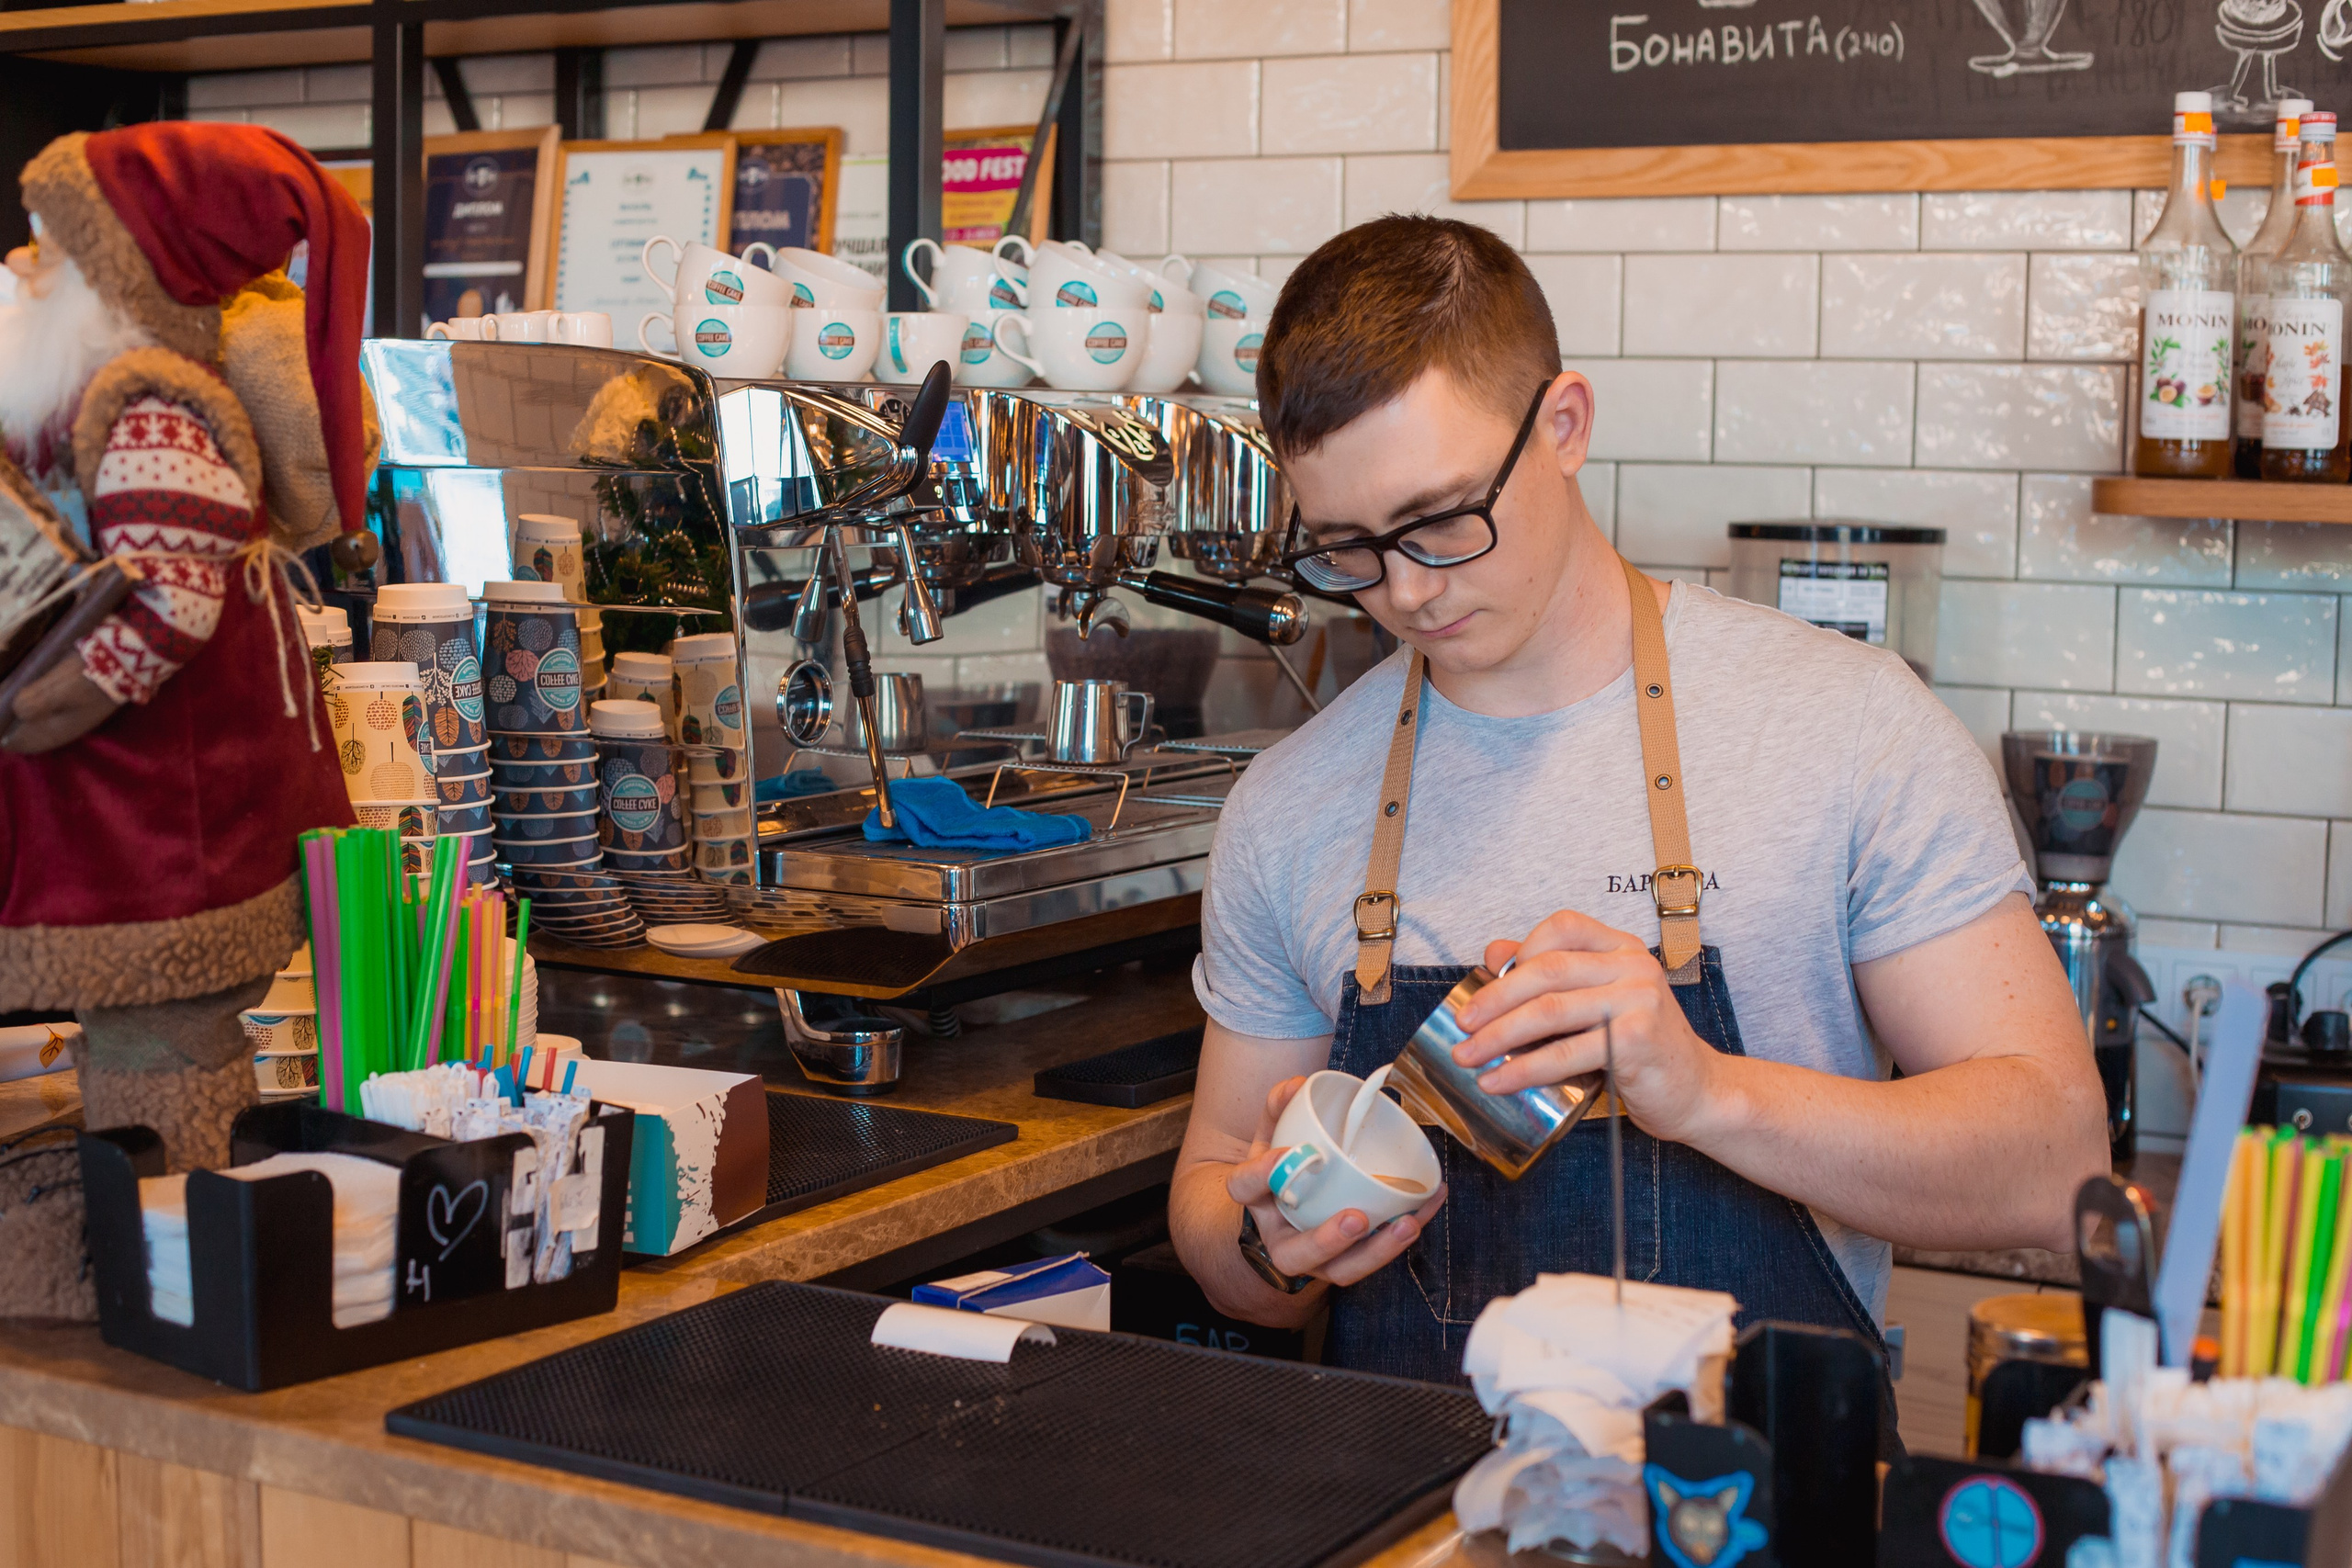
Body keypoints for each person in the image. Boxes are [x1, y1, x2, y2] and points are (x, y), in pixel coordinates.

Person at [1167, 216, 2109, 1416]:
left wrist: (1707, 1087)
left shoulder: (1846, 729)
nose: (1405, 589)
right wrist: (1265, 1250)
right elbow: (1208, 1194)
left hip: (1753, 1519)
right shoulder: (1291, 806)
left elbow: (2056, 1161)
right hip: (1418, 1527)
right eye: (1348, 548)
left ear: (1564, 425)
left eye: (1444, 517)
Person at [0, 122, 371, 1220]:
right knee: (148, 1032)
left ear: (122, 267)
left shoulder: (148, 394)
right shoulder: (97, 379)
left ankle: (165, 1231)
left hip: (164, 799)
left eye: (53, 243)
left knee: (167, 1028)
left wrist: (59, 698)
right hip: (143, 788)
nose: (26, 262)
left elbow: (175, 589)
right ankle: (145, 1213)